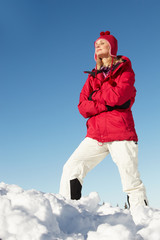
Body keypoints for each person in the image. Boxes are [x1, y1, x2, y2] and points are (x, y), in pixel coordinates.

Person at [59, 31, 148, 209]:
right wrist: (106, 103)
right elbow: (82, 107)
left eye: (102, 43)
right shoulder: (92, 76)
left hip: (121, 133)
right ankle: (69, 211)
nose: (97, 45)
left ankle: (143, 221)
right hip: (95, 135)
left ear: (112, 48)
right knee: (71, 168)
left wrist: (96, 97)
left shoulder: (126, 71)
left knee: (130, 180)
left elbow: (119, 96)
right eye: (96, 44)